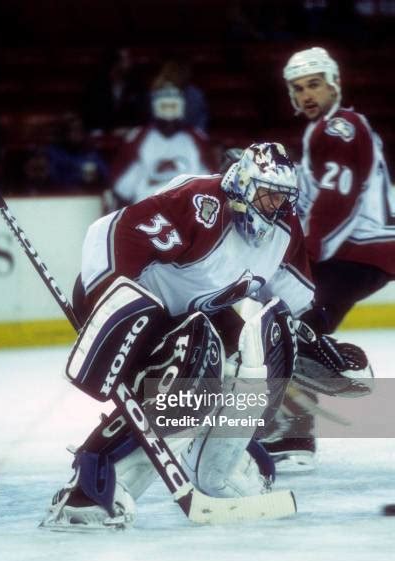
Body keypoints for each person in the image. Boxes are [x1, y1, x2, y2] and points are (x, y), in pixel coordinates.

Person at [40, 142, 370, 530]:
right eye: (268, 196)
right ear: (244, 186)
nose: (277, 208)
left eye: (284, 199)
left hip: (193, 318)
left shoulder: (282, 232)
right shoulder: (201, 204)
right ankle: (90, 485)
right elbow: (109, 233)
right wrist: (112, 306)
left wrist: (316, 345)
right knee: (199, 359)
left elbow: (292, 308)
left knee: (261, 339)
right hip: (131, 310)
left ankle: (219, 467)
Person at [262, 46, 395, 469]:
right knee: (296, 331)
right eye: (299, 88)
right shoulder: (326, 130)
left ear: (334, 83)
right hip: (361, 252)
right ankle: (295, 433)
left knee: (290, 331)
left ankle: (293, 433)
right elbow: (317, 196)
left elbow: (339, 201)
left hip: (360, 250)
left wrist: (308, 256)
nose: (307, 94)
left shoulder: (338, 127)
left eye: (315, 84)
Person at [107, 85, 214, 209]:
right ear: (155, 107)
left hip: (187, 208)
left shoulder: (197, 137)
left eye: (173, 106)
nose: (169, 113)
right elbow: (122, 188)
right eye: (164, 107)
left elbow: (209, 181)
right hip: (147, 207)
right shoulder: (138, 137)